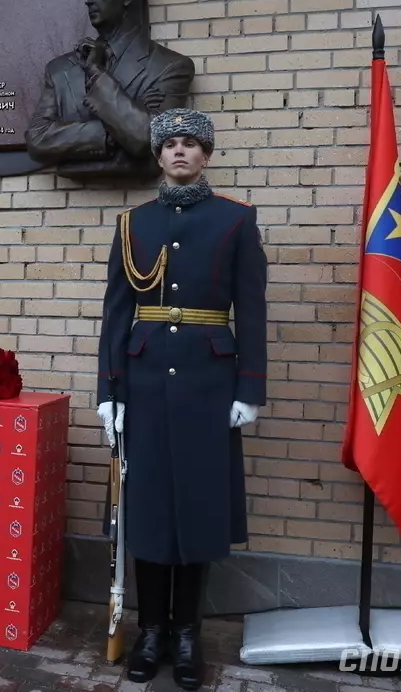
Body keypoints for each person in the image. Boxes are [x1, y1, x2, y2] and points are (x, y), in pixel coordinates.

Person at [96, 109, 267, 691]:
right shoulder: (132, 223)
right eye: (170, 144)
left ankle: (187, 632)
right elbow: (117, 314)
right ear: (158, 155)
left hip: (207, 384)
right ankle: (151, 630)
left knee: (195, 505)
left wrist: (249, 388)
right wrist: (108, 391)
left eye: (191, 143)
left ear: (207, 155)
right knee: (145, 506)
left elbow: (253, 310)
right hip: (143, 383)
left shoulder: (235, 221)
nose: (179, 152)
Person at [25, 0, 195, 182]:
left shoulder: (169, 67)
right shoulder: (61, 69)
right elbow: (37, 140)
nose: (89, 0)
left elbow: (149, 138)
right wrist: (116, 132)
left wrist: (97, 74)